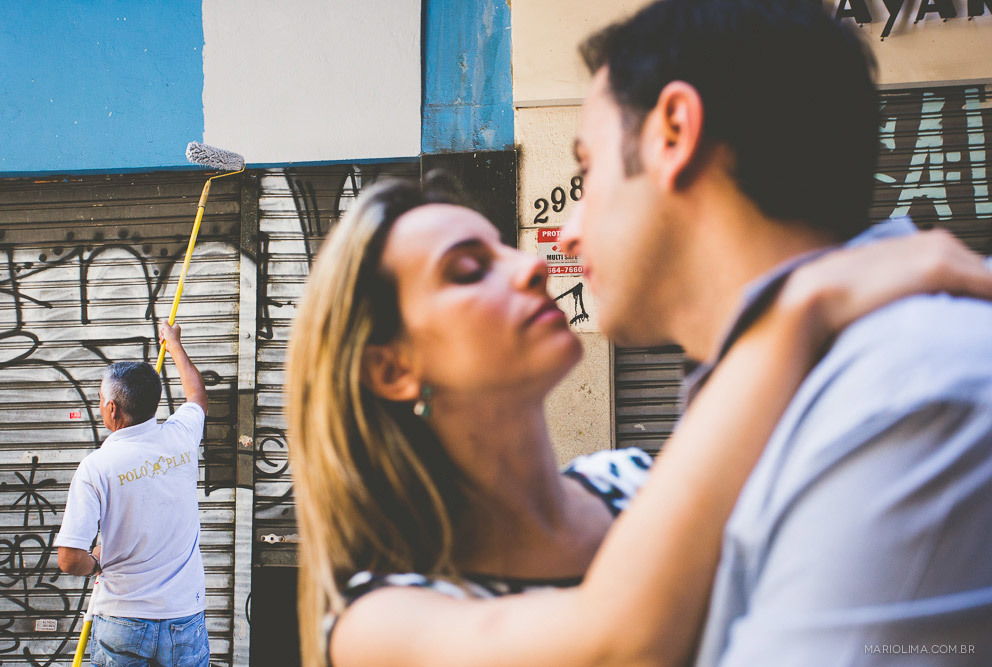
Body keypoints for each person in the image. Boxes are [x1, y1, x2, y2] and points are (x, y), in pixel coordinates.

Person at [286, 173, 992, 667]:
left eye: (507, 246)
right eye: (469, 270)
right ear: (391, 370)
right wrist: (792, 312)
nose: (530, 267)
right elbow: (619, 644)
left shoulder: (635, 477)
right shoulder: (376, 623)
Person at [559, 0, 992, 663]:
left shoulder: (906, 395)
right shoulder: (804, 386)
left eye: (586, 170)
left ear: (673, 132)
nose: (567, 229)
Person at [57, 321, 210, 667]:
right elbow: (197, 395)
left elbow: (68, 559)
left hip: (122, 618)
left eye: (100, 399)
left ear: (112, 409)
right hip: (184, 617)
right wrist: (173, 345)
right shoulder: (181, 437)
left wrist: (95, 560)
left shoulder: (96, 467)